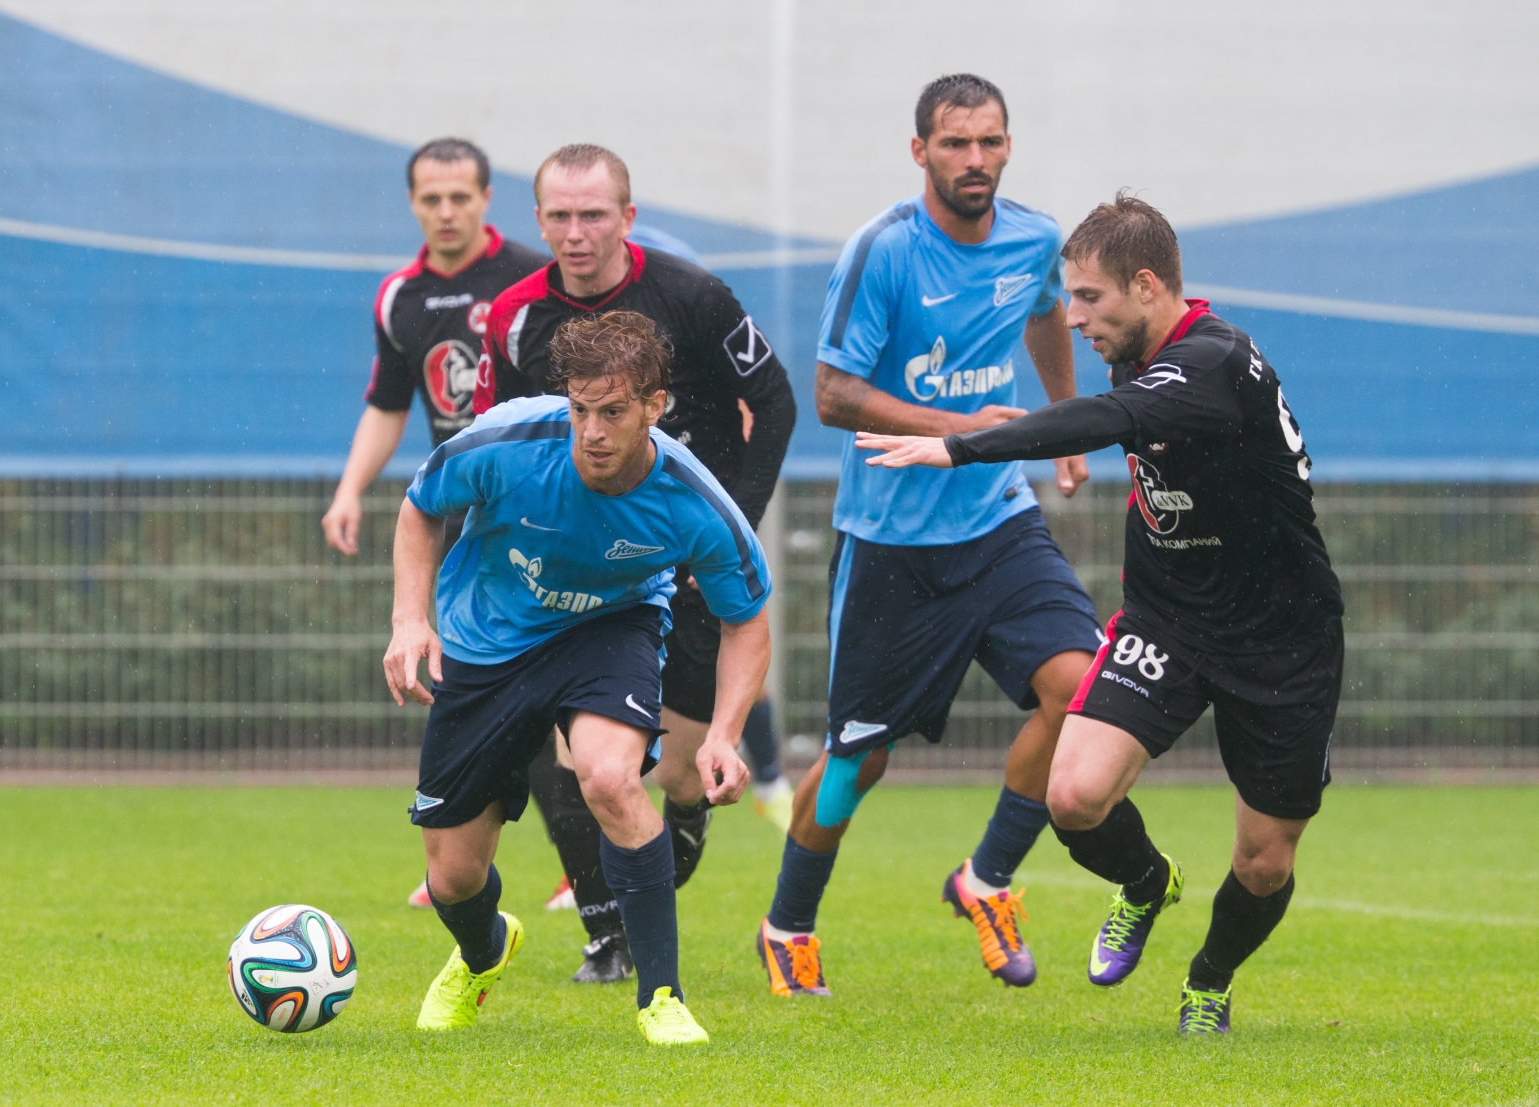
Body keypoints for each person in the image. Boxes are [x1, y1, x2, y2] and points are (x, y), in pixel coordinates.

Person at [855, 192, 1345, 1034]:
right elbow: (1113, 412)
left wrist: (958, 441)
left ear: (1147, 285)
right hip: (1169, 617)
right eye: (1067, 296)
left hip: (1281, 638)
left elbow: (1109, 416)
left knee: (1264, 863)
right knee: (1074, 796)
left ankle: (1208, 980)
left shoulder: (1209, 363)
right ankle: (1149, 882)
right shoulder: (1139, 344)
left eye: (1088, 298)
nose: (1072, 316)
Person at [756, 73, 1102, 999]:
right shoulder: (884, 251)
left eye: (990, 141)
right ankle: (787, 925)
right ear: (920, 152)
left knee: (1083, 690)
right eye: (955, 143)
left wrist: (1061, 425)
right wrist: (965, 432)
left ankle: (986, 879)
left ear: (1009, 145)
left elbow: (1042, 316)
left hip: (998, 521)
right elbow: (832, 393)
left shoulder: (1035, 237)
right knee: (855, 762)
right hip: (891, 544)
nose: (975, 160)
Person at [385, 310, 772, 1044]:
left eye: (614, 412)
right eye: (581, 410)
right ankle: (483, 951)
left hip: (609, 630)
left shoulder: (693, 501)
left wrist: (723, 734)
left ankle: (662, 996)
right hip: (487, 641)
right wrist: (410, 619)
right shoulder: (509, 441)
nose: (593, 431)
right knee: (453, 879)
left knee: (608, 776)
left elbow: (746, 620)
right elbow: (420, 508)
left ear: (655, 408)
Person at [476, 143, 798, 981]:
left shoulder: (691, 296)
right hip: (574, 573)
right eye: (559, 216)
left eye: (594, 215)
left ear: (627, 214)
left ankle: (671, 839)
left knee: (684, 770)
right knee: (574, 757)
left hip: (682, 563)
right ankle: (606, 930)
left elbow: (776, 399)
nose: (576, 234)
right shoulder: (511, 316)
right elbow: (490, 444)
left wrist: (728, 527)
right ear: (538, 219)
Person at [321, 137, 549, 555]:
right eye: (431, 199)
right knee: (460, 622)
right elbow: (388, 407)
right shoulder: (398, 296)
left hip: (543, 497)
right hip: (460, 503)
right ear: (411, 201)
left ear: (486, 198)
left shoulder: (534, 278)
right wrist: (348, 491)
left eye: (459, 197)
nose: (445, 212)